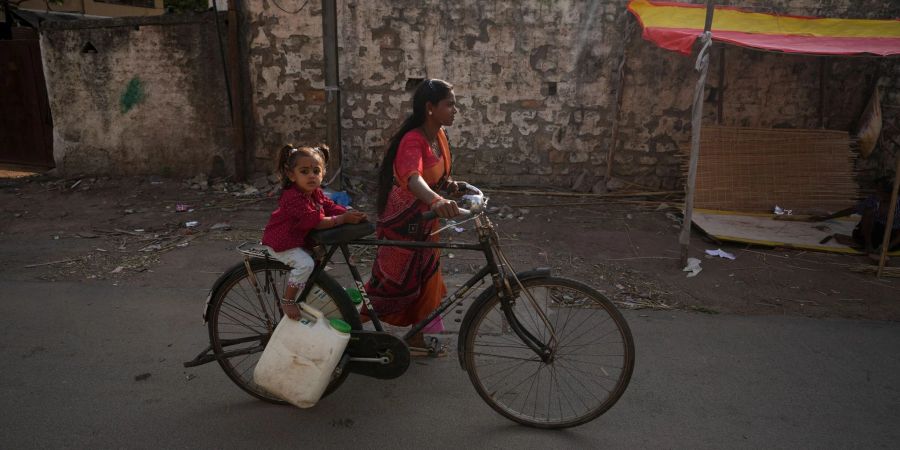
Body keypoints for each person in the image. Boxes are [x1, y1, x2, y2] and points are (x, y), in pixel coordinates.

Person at [365, 78, 461, 352]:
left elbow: (435, 175)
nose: (455, 110)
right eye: (450, 104)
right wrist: (437, 199)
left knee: (428, 277)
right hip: (404, 221)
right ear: (430, 108)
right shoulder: (413, 140)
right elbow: (413, 179)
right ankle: (347, 324)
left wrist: (448, 186)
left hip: (426, 220)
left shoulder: (438, 136)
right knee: (395, 284)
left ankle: (417, 337)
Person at [261, 144, 368, 320]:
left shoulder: (314, 192)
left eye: (316, 171)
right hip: (283, 243)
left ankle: (313, 295)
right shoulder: (293, 197)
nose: (311, 175)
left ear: (323, 173)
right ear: (291, 175)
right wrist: (343, 219)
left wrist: (348, 212)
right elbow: (317, 223)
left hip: (300, 239)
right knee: (306, 265)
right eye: (304, 171)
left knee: (319, 261)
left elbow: (329, 206)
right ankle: (288, 300)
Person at [812, 176, 900, 261]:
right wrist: (827, 217)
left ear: (889, 193)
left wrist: (888, 246)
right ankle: (868, 245)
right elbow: (852, 210)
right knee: (868, 212)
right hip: (871, 237)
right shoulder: (874, 200)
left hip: (891, 239)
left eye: (879, 190)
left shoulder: (898, 205)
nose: (876, 192)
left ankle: (876, 246)